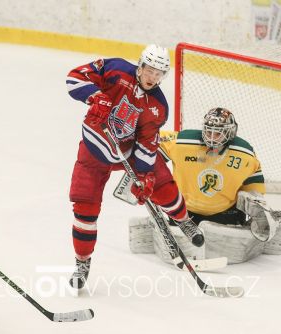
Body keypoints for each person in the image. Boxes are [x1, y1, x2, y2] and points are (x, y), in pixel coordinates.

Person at [65, 44, 204, 289]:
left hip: (127, 151)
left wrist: (144, 175)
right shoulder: (115, 70)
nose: (152, 77)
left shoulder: (157, 105)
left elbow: (148, 142)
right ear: (140, 66)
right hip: (95, 147)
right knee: (85, 206)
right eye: (149, 70)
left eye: (158, 74)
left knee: (161, 183)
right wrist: (95, 96)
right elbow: (75, 77)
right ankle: (82, 261)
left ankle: (183, 220)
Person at [129, 107, 281, 265]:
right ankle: (162, 227)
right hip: (186, 211)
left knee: (227, 242)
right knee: (180, 238)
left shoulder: (244, 153)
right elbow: (149, 143)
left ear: (230, 133)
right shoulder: (184, 141)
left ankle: (265, 222)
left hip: (226, 212)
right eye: (209, 131)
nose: (212, 137)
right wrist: (146, 173)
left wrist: (255, 201)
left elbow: (253, 180)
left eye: (218, 133)